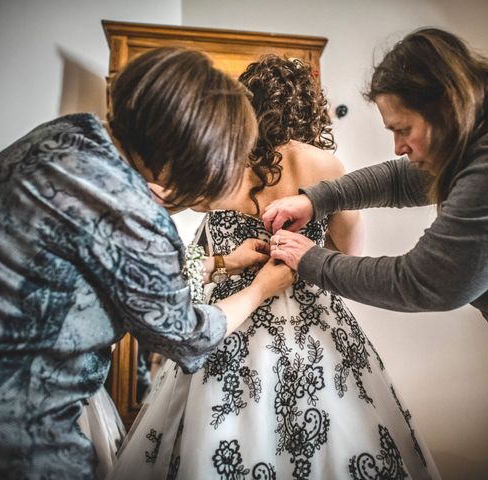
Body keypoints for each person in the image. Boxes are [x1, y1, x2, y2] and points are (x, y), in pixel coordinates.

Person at [263, 28, 488, 479]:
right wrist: (317, 199)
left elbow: (423, 282)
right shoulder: (486, 131)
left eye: (403, 129)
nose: (398, 146)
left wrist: (311, 259)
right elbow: (402, 179)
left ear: (447, 104)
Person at [0, 46, 294, 479]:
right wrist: (261, 289)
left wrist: (220, 261)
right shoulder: (132, 212)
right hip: (14, 429)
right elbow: (186, 337)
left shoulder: (66, 133)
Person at [108, 54, 440, 480]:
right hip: (312, 332)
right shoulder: (323, 165)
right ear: (309, 110)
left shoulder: (221, 166)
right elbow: (351, 253)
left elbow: (182, 250)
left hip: (227, 326)